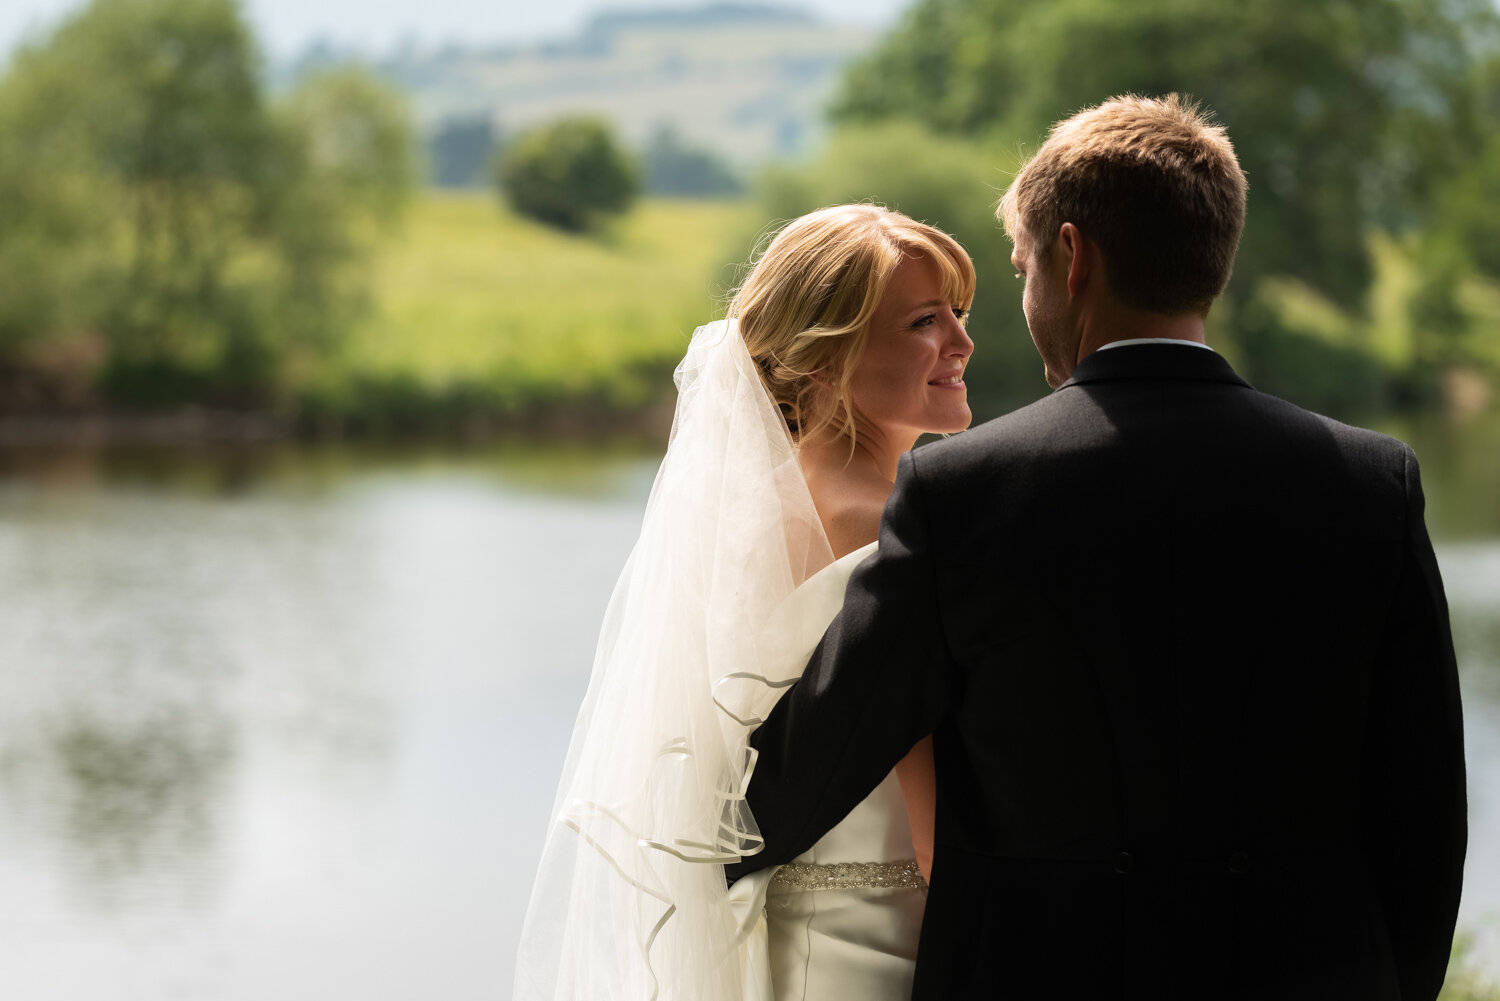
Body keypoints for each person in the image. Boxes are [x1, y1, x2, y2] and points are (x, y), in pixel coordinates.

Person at [727, 94, 1467, 1000]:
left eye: (1022, 266)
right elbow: (1424, 816)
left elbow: (799, 779)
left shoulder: (963, 492)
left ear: (1072, 259)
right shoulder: (1373, 482)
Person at [513, 204, 977, 1001]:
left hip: (782, 943)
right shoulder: (888, 526)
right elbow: (939, 835)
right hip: (889, 953)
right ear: (822, 362)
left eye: (959, 314)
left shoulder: (747, 512)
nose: (962, 344)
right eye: (924, 321)